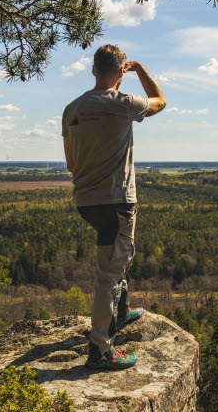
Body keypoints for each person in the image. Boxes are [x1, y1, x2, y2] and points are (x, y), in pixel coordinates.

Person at [62, 44, 166, 369]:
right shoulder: (124, 103)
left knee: (118, 259)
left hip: (87, 202)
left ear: (94, 70)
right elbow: (160, 102)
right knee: (109, 273)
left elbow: (70, 164)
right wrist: (141, 69)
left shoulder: (73, 109)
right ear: (121, 71)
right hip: (117, 200)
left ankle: (119, 312)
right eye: (123, 71)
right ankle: (101, 350)